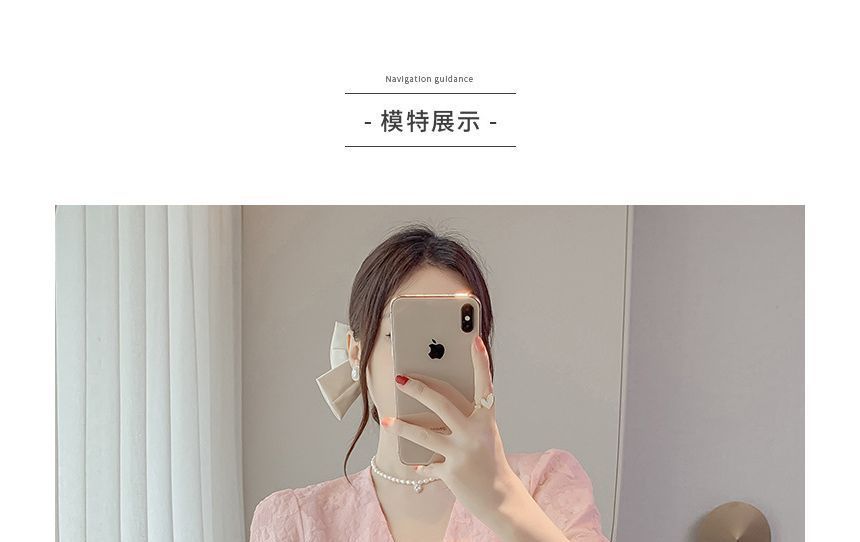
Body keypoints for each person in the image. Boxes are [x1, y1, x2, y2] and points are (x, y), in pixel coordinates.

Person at [250, 224, 609, 542]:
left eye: (452, 335)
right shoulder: (294, 521)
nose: (431, 355)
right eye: (404, 333)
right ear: (356, 353)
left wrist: (501, 501)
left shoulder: (548, 483)